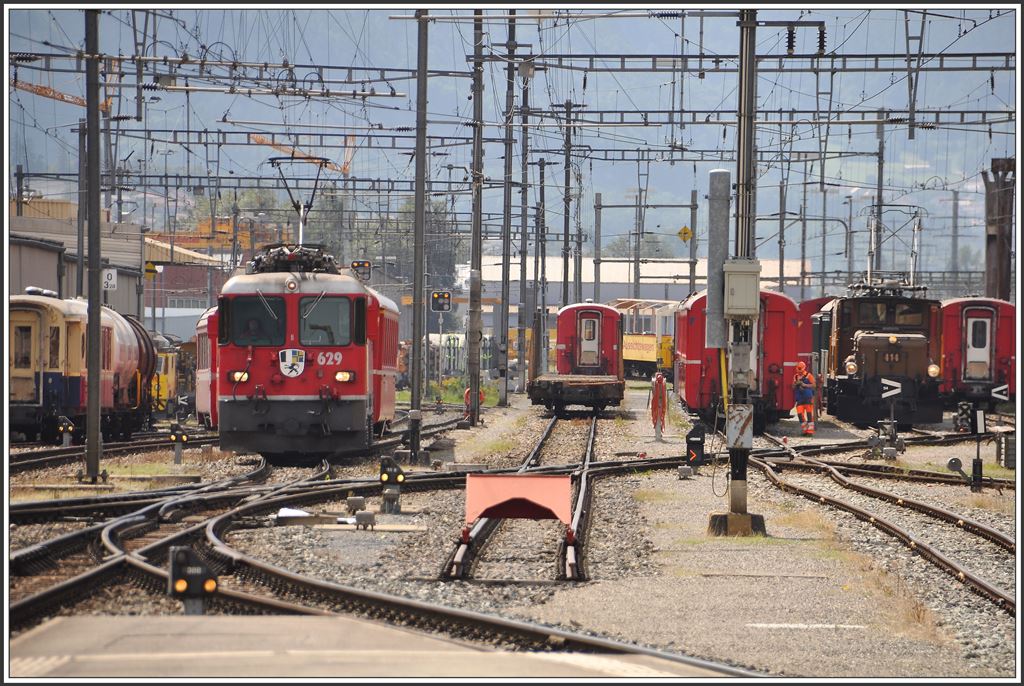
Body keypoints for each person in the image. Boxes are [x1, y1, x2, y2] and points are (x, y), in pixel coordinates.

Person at [792, 361, 816, 436]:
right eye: (798, 370)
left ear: (803, 369)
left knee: (809, 415)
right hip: (799, 399)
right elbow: (793, 387)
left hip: (808, 398)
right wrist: (796, 384)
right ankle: (805, 430)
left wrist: (804, 385)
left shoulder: (809, 376)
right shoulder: (795, 377)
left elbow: (814, 385)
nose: (799, 372)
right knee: (800, 415)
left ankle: (810, 432)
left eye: (800, 370)